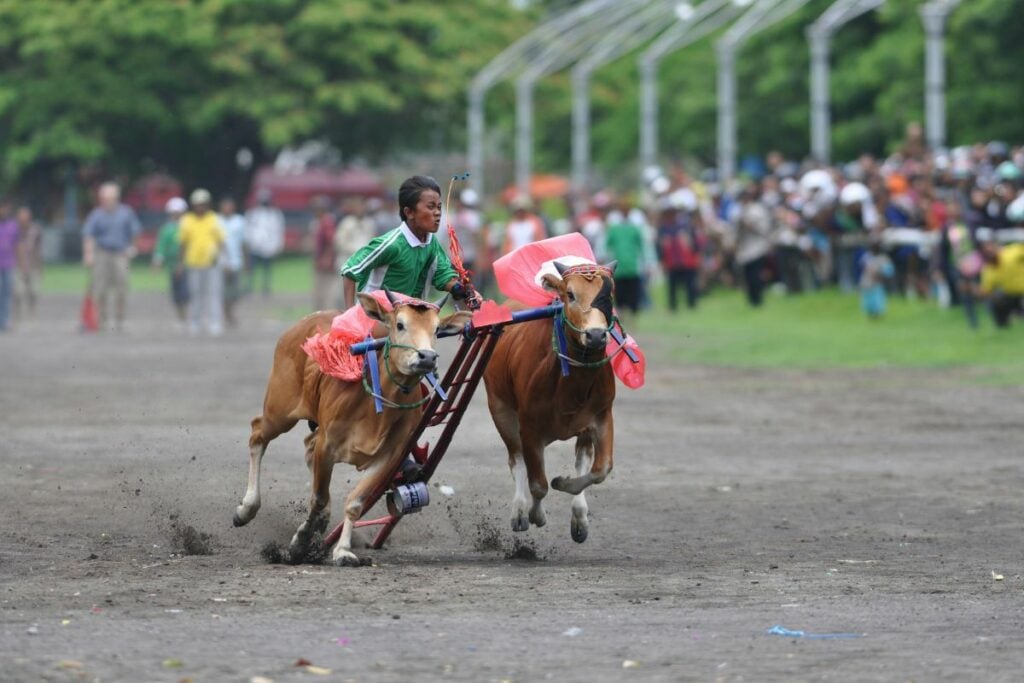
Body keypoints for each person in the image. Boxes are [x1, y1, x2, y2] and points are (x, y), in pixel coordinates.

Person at [340, 175, 475, 310]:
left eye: (439, 207)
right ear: (409, 212)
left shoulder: (432, 244)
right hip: (376, 321)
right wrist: (350, 316)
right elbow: (350, 270)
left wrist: (461, 289)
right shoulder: (391, 245)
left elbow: (443, 275)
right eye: (431, 207)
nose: (438, 213)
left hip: (409, 323)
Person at [82, 182, 141, 331]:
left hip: (121, 253)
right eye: (104, 198)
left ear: (116, 198)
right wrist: (89, 254)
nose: (106, 200)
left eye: (109, 197)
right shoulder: (96, 214)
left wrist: (132, 248)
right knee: (99, 288)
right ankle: (102, 319)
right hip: (102, 253)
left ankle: (120, 319)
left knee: (122, 286)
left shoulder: (126, 212)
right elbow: (88, 235)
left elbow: (135, 231)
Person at [179, 189, 226, 336]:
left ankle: (214, 322)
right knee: (195, 294)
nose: (201, 207)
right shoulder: (187, 220)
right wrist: (180, 262)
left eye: (203, 204)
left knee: (213, 293)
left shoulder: (214, 219)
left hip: (212, 263)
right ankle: (195, 322)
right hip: (193, 262)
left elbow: (221, 241)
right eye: (198, 204)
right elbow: (183, 243)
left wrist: (223, 258)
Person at [657, 189, 704, 311]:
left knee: (690, 285)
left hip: (687, 261)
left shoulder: (686, 226)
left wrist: (696, 254)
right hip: (671, 261)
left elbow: (695, 243)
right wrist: (661, 259)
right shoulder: (663, 228)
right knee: (672, 286)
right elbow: (660, 245)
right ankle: (673, 307)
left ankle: (692, 305)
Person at [734, 182, 773, 307]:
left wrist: (750, 225)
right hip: (745, 248)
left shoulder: (757, 210)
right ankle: (751, 300)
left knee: (756, 275)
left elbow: (764, 229)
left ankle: (758, 300)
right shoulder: (740, 211)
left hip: (757, 247)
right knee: (748, 277)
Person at [151, 197, 190, 325]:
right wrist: (158, 261)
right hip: (173, 265)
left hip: (190, 264)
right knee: (177, 292)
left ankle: (190, 316)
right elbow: (161, 246)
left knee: (189, 291)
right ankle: (181, 317)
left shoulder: (189, 226)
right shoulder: (167, 229)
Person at [603, 202, 646, 316]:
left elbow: (642, 246)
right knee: (620, 294)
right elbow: (606, 246)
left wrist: (646, 262)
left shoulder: (635, 229)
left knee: (633, 294)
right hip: (619, 267)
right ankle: (622, 314)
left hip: (632, 266)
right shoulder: (614, 229)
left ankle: (633, 316)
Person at [333, 197, 376, 302]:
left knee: (362, 291)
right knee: (344, 292)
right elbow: (339, 242)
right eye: (357, 207)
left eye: (362, 206)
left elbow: (373, 241)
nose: (360, 209)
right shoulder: (347, 223)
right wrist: (356, 249)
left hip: (364, 263)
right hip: (347, 262)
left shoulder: (369, 223)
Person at [244, 189, 284, 297]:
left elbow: (278, 230)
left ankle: (265, 289)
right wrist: (248, 243)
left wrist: (278, 245)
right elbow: (248, 229)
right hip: (255, 245)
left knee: (267, 269)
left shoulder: (275, 214)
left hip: (269, 246)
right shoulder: (252, 213)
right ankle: (250, 287)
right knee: (252, 269)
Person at [979, 239, 1024, 328]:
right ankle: (1003, 325)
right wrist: (971, 289)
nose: (989, 252)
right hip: (1012, 295)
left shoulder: (1011, 253)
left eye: (990, 249)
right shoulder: (988, 270)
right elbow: (985, 291)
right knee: (995, 299)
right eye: (986, 251)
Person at [218, 197, 247, 327]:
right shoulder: (216, 221)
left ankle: (229, 311)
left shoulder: (239, 222)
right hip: (220, 263)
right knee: (222, 290)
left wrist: (245, 260)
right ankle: (226, 314)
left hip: (236, 262)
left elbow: (243, 243)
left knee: (235, 292)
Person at [14, 206, 42, 322]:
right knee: (18, 292)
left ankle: (32, 313)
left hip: (33, 265)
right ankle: (17, 315)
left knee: (34, 291)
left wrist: (41, 267)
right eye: (21, 216)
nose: (23, 218)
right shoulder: (14, 230)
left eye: (25, 216)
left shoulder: (35, 230)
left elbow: (39, 249)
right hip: (17, 265)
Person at [310, 196, 337, 311]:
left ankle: (324, 315)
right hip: (322, 260)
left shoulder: (326, 222)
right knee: (320, 291)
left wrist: (327, 258)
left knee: (324, 292)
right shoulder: (321, 221)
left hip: (325, 262)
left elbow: (331, 241)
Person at [858, 241, 894, 319]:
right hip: (867, 282)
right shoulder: (867, 256)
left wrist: (880, 273)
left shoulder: (883, 258)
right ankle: (870, 315)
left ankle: (877, 315)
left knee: (877, 301)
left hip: (877, 283)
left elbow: (889, 271)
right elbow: (862, 266)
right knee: (867, 301)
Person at [0, 202, 18, 332]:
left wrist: (20, 262)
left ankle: (4, 320)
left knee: (6, 293)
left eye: (5, 208)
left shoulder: (13, 226)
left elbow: (17, 245)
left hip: (8, 264)